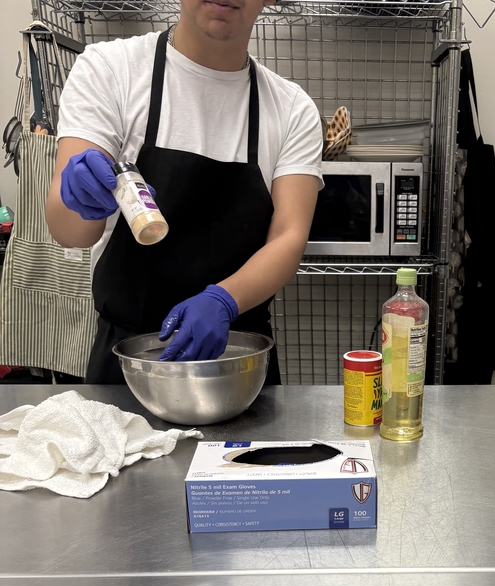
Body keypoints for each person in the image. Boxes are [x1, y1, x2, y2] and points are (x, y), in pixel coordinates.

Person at [45, 0, 324, 384]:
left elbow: (289, 236)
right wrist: (79, 198)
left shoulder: (292, 109)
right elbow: (70, 232)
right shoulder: (111, 69)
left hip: (237, 356)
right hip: (129, 362)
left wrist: (224, 300)